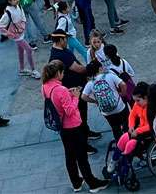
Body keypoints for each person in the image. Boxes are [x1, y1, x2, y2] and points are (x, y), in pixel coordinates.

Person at [42, 60, 110, 192]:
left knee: (70, 156)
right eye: (63, 72)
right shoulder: (60, 90)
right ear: (58, 73)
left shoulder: (45, 86)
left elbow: (56, 101)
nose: (64, 75)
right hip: (73, 126)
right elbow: (70, 110)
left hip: (62, 127)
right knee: (82, 157)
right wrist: (75, 97)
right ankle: (93, 183)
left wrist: (68, 93)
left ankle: (76, 182)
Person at [48, 29, 101, 150]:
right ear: (61, 40)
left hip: (76, 87)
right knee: (79, 114)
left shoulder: (59, 51)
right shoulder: (61, 55)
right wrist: (91, 67)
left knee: (83, 113)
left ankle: (86, 132)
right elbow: (78, 69)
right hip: (73, 90)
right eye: (65, 39)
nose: (67, 41)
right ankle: (83, 143)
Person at [0, 0, 40, 79]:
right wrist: (10, 34)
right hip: (17, 35)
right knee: (29, 50)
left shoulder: (19, 6)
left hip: (20, 32)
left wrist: (22, 25)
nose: (17, 0)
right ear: (9, 1)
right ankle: (33, 70)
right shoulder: (8, 12)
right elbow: (0, 26)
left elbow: (23, 17)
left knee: (20, 51)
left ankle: (22, 69)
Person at [81, 60, 127, 140]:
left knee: (115, 128)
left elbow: (83, 97)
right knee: (126, 124)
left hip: (106, 112)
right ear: (99, 68)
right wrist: (122, 93)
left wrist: (96, 101)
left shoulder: (90, 83)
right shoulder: (110, 76)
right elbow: (123, 84)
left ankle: (120, 145)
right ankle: (130, 143)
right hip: (119, 107)